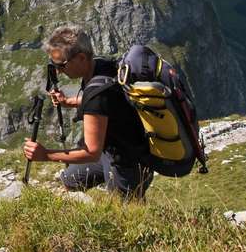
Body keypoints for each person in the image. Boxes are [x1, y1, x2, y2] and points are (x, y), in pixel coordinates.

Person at [21, 26, 153, 200]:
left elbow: (91, 152)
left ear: (81, 58)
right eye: (54, 65)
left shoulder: (97, 95)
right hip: (111, 148)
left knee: (127, 215)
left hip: (127, 161)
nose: (58, 71)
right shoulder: (102, 66)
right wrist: (68, 102)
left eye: (61, 65)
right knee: (70, 179)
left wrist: (45, 155)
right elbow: (106, 103)